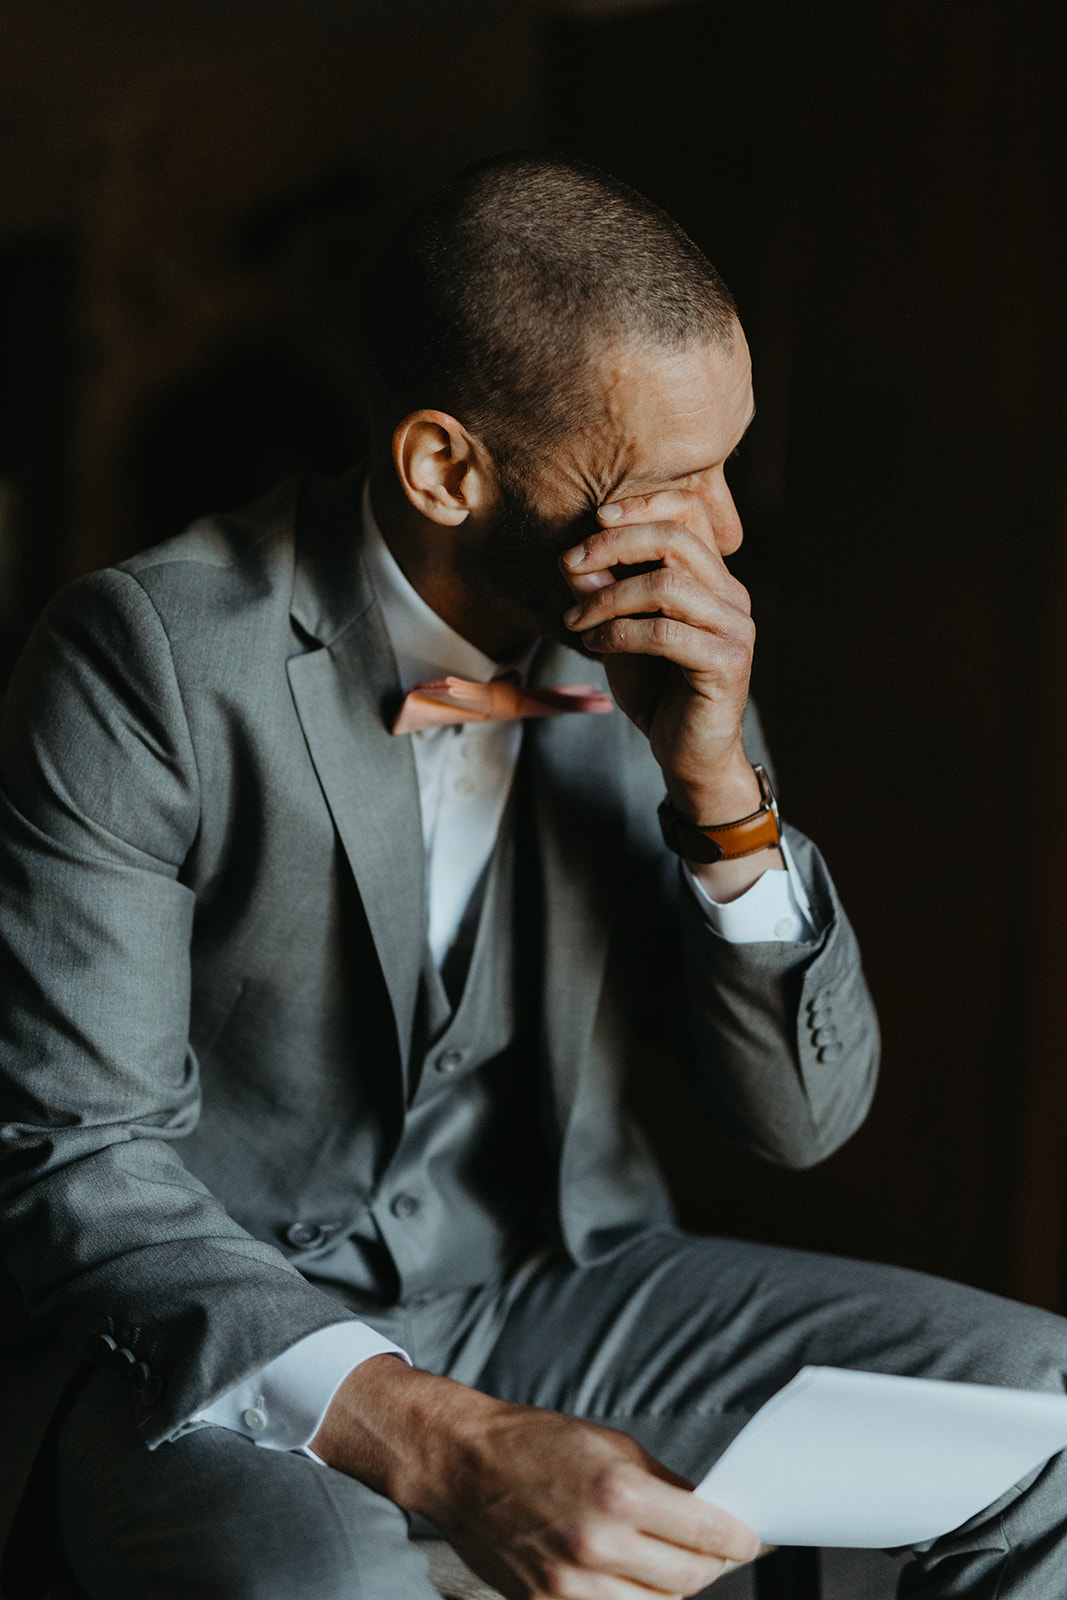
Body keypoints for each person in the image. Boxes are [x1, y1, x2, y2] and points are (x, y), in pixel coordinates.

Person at [1, 152, 1065, 1600]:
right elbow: (78, 1160)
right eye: (673, 480)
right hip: (221, 1329)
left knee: (1046, 1417)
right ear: (447, 468)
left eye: (730, 465)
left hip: (558, 1281)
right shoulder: (150, 657)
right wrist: (448, 1441)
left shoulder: (669, 645)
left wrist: (717, 792)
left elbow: (802, 1119)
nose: (728, 536)